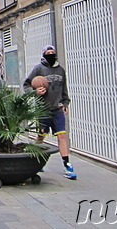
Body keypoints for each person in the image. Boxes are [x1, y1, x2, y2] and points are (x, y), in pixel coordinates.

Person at [23, 45, 77, 180]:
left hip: (57, 109)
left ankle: (67, 165)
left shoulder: (60, 70)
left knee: (62, 136)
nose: (51, 54)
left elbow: (64, 88)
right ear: (44, 54)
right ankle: (36, 161)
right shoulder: (39, 69)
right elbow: (26, 85)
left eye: (53, 52)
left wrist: (65, 102)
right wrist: (35, 92)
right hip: (43, 110)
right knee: (41, 136)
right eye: (48, 53)